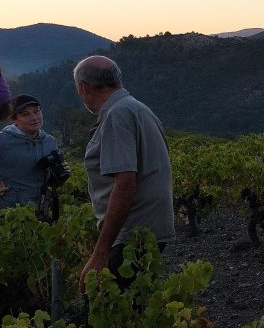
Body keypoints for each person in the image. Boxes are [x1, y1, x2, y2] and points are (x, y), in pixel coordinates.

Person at [72, 55, 175, 291]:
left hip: (130, 231)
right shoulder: (138, 108)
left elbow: (125, 184)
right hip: (149, 228)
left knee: (107, 306)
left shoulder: (116, 116)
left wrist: (101, 250)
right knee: (134, 309)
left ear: (83, 87)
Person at [0, 95, 60, 209]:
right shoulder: (2, 141)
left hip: (42, 212)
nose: (34, 117)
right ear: (13, 119)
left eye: (36, 112)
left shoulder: (50, 142)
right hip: (9, 214)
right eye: (25, 114)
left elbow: (52, 180)